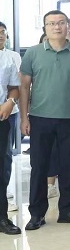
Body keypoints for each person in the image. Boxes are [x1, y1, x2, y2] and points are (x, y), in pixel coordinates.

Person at [20, 10, 70, 230]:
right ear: (45, 28)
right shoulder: (32, 53)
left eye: (61, 23)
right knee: (39, 166)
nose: (57, 27)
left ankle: (67, 210)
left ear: (67, 26)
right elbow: (24, 87)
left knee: (69, 165)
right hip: (40, 117)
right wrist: (24, 117)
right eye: (51, 24)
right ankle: (37, 214)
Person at [0, 40, 20, 234]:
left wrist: (10, 102)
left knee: (2, 168)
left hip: (1, 116)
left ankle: (2, 218)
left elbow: (14, 87)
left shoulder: (7, 58)